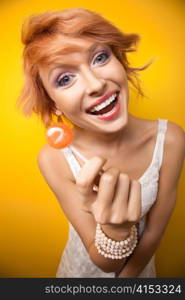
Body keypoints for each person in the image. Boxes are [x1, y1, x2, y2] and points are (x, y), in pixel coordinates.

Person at [17, 8, 185, 278]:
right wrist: (115, 231)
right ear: (53, 104)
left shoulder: (171, 140)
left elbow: (154, 233)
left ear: (119, 60)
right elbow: (104, 262)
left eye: (100, 57)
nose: (95, 84)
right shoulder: (54, 159)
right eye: (65, 79)